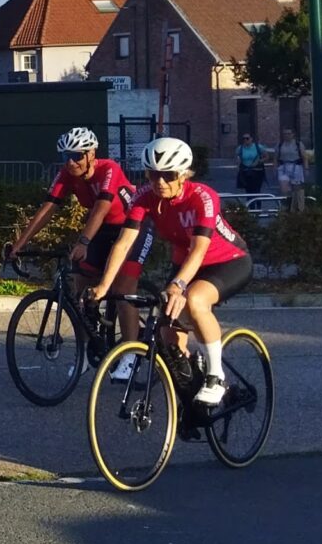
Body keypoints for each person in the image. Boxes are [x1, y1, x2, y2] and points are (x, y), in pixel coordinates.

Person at [92, 136, 252, 405]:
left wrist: (178, 286)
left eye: (168, 175)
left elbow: (199, 250)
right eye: (153, 174)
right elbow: (124, 243)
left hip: (227, 261)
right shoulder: (144, 197)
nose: (160, 182)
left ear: (183, 174)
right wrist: (104, 286)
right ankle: (192, 402)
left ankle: (216, 377)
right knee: (167, 339)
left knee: (195, 300)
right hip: (184, 264)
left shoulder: (203, 197)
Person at [4, 127, 144, 351]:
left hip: (130, 227)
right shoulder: (66, 174)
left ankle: (130, 354)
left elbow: (101, 207)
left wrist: (83, 242)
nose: (70, 162)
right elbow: (47, 209)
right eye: (65, 156)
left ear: (91, 154)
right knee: (82, 285)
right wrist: (19, 245)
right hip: (102, 228)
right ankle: (88, 351)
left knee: (122, 290)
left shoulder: (109, 168)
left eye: (77, 156)